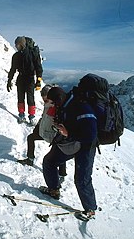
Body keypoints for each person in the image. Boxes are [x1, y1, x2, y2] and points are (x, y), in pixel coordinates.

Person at [39, 86, 98, 221]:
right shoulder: (65, 104)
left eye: (53, 102)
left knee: (82, 178)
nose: (53, 105)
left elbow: (91, 133)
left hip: (86, 145)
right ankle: (53, 190)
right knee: (50, 161)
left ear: (59, 99)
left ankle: (90, 209)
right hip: (72, 140)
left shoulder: (81, 107)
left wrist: (68, 132)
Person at [17, 84, 67, 181]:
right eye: (44, 100)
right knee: (31, 137)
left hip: (53, 134)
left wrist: (58, 132)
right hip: (45, 132)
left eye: (46, 100)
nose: (45, 102)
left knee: (59, 150)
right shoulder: (48, 104)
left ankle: (62, 174)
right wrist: (38, 127)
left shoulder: (57, 106)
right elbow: (44, 117)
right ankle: (30, 159)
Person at [7, 36, 43, 125]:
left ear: (23, 44)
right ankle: (21, 115)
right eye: (16, 45)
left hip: (30, 78)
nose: (16, 47)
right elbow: (13, 69)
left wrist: (38, 81)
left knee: (30, 98)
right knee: (20, 97)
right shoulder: (16, 56)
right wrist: (9, 80)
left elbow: (39, 68)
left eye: (18, 45)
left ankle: (32, 116)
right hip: (21, 78)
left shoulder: (33, 53)